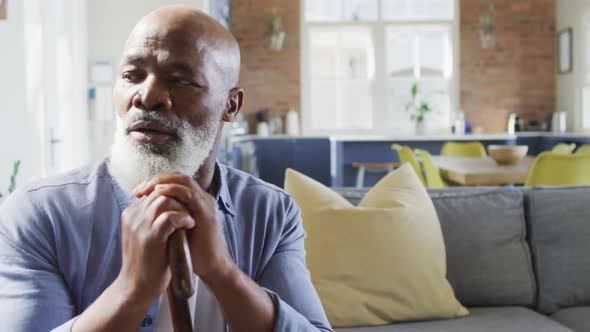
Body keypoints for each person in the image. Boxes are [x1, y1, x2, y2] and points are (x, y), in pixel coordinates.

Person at [0, 5, 332, 332]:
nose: (147, 96)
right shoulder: (40, 214)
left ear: (231, 105)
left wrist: (222, 272)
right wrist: (132, 289)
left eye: (180, 80)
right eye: (132, 76)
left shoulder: (271, 213)